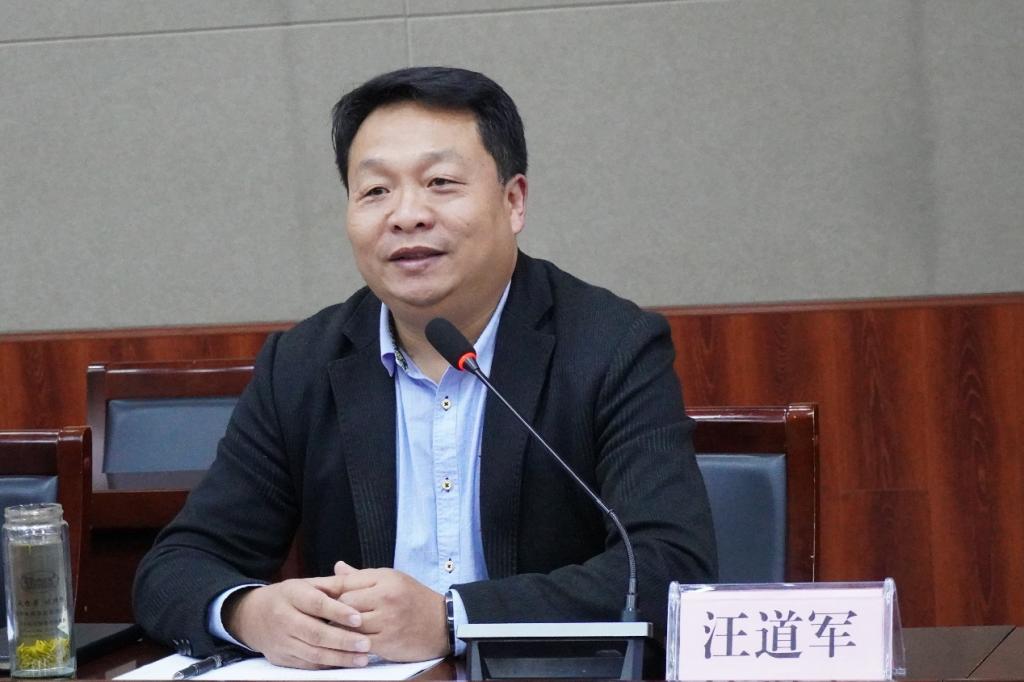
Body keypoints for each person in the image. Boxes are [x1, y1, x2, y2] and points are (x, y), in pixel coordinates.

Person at [133, 66, 717, 669]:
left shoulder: (611, 345)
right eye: (375, 191)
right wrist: (247, 611)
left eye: (440, 182)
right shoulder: (302, 364)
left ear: (513, 201)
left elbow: (667, 568)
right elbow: (176, 566)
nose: (406, 215)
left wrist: (454, 618)